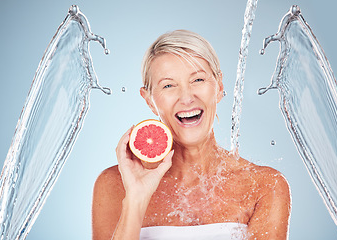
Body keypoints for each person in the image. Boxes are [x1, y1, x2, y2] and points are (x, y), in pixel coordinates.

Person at [92, 30, 291, 240]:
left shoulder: (265, 185)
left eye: (197, 80)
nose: (187, 98)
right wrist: (136, 199)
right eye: (168, 85)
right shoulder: (114, 185)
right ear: (149, 100)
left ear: (219, 86)